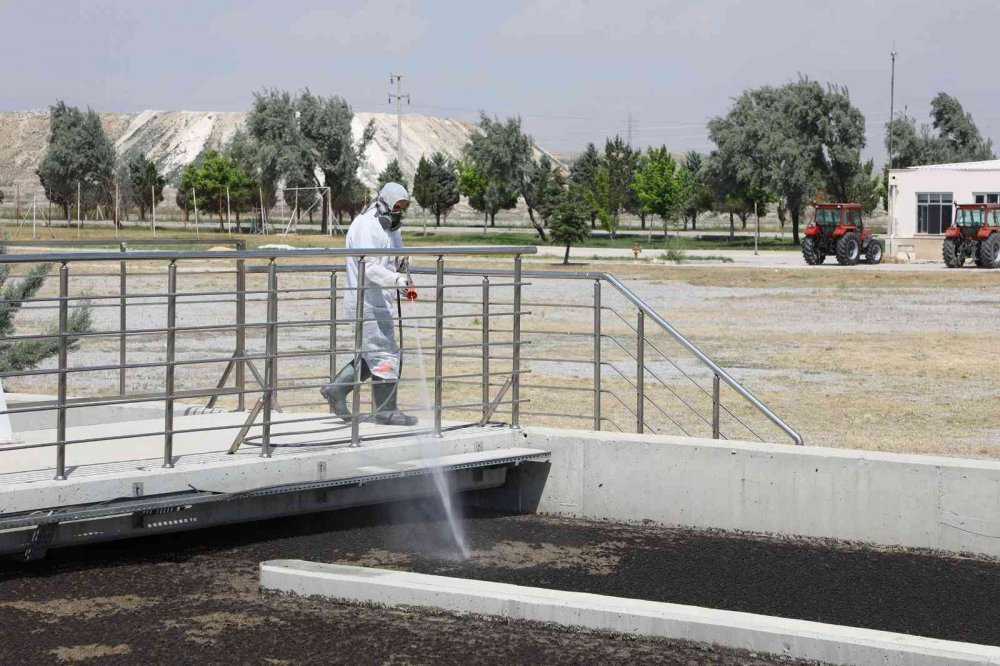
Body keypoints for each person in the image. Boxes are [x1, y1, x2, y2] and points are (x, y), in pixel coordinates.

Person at [320, 182, 418, 426]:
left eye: (403, 208)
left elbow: (396, 256)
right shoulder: (366, 225)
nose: (399, 212)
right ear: (384, 202)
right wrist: (396, 279)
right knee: (384, 352)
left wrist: (405, 270)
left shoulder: (390, 226)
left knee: (374, 352)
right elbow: (370, 267)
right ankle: (385, 409)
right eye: (397, 206)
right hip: (364, 299)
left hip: (380, 299)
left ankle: (337, 389)